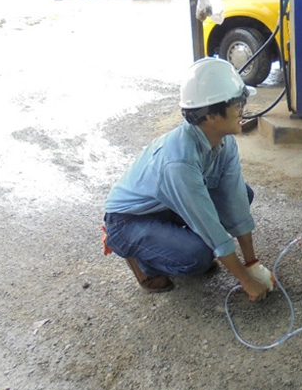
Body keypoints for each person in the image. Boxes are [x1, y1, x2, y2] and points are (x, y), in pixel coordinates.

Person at [101, 58, 272, 301]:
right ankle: (145, 263)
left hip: (165, 205)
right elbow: (207, 222)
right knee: (197, 258)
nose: (243, 109)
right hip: (128, 221)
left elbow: (235, 202)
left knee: (244, 194)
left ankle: (169, 243)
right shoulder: (179, 161)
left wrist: (252, 264)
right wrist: (246, 281)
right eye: (237, 104)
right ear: (211, 115)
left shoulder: (225, 141)